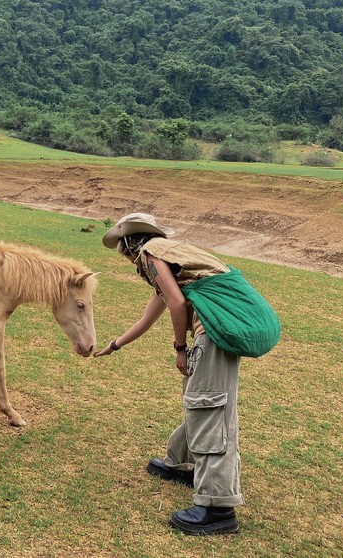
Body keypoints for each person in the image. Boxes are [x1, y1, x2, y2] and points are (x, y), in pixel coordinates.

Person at [94, 212, 243, 535]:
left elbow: (176, 304)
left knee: (208, 407)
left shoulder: (152, 254)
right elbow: (149, 316)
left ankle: (219, 507)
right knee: (199, 402)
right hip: (217, 331)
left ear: (128, 244)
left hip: (212, 334)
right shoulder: (173, 258)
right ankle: (182, 463)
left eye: (123, 251)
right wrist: (114, 345)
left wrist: (180, 349)